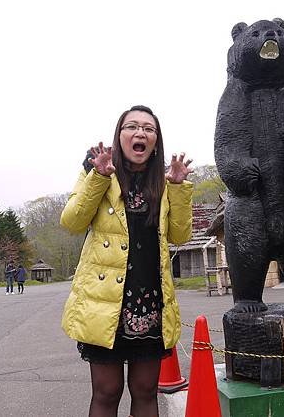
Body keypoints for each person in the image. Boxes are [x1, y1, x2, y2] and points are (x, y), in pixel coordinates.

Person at [61, 105, 193, 417]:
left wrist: (177, 188)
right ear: (119, 136)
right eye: (131, 126)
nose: (140, 133)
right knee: (106, 393)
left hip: (149, 304)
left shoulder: (164, 182)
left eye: (148, 129)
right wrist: (99, 176)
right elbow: (72, 222)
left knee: (145, 392)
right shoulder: (98, 172)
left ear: (156, 141)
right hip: (105, 302)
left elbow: (180, 235)